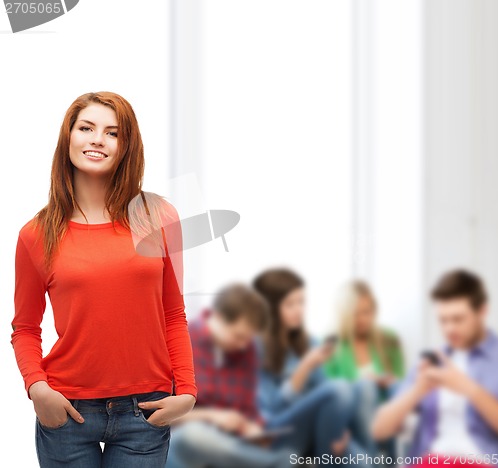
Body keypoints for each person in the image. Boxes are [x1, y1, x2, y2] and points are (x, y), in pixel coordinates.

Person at [10, 91, 197, 468]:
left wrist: (188, 391)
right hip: (67, 411)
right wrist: (37, 388)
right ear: (69, 138)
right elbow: (25, 327)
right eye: (86, 128)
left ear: (127, 147)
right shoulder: (36, 233)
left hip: (145, 411)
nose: (97, 138)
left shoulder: (158, 217)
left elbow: (173, 313)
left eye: (112, 133)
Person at [371, 269, 498, 466]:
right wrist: (418, 390)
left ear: (482, 311)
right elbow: (379, 430)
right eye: (443, 320)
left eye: (458, 319)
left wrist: (469, 388)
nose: (449, 329)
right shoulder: (433, 360)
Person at [252, 268, 375, 467]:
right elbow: (270, 412)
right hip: (279, 434)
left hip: (318, 431)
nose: (299, 310)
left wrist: (340, 428)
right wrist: (304, 368)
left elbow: (330, 398)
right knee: (340, 388)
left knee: (363, 462)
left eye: (301, 302)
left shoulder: (310, 343)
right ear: (270, 308)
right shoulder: (255, 348)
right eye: (290, 304)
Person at [166, 282, 294, 468]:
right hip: (185, 439)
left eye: (248, 339)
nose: (243, 345)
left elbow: (248, 408)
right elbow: (160, 415)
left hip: (232, 442)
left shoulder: (247, 350)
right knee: (193, 435)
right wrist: (212, 416)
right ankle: (274, 463)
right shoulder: (182, 344)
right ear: (217, 317)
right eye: (238, 336)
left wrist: (252, 428)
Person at [323, 280, 405, 460]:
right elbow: (331, 391)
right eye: (355, 314)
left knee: (398, 389)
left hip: (385, 411)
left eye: (367, 312)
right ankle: (373, 460)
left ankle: (395, 460)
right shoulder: (331, 344)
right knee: (366, 387)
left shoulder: (388, 339)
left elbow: (401, 380)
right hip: (352, 418)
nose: (362, 319)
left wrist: (386, 381)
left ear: (374, 311)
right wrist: (364, 382)